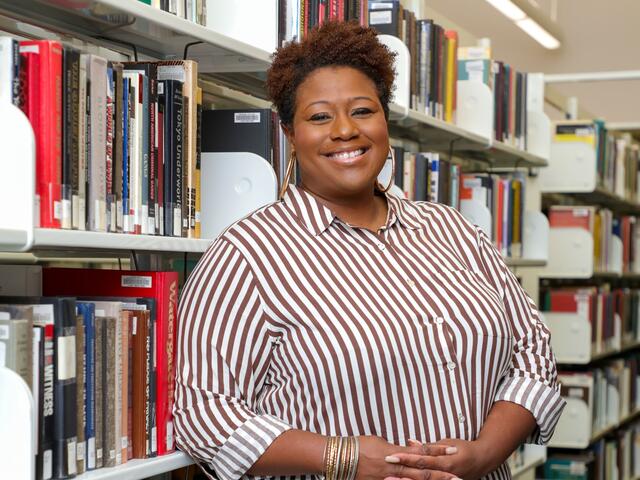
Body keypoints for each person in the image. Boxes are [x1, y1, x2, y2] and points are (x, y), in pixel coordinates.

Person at [174, 20, 565, 480]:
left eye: (362, 111)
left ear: (385, 119)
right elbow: (203, 415)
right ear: (289, 134)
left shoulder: (457, 233)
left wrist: (484, 454)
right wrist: (345, 457)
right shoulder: (246, 255)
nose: (345, 131)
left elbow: (533, 355)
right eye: (320, 116)